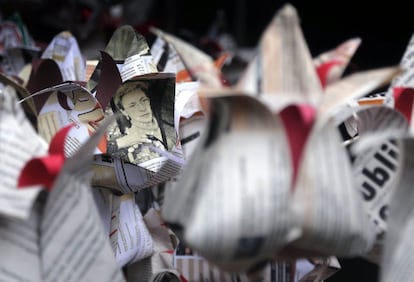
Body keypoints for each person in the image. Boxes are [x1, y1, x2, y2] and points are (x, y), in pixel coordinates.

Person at [107, 79, 174, 164]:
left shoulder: (169, 123)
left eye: (144, 100)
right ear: (124, 111)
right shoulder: (129, 143)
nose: (142, 108)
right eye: (133, 105)